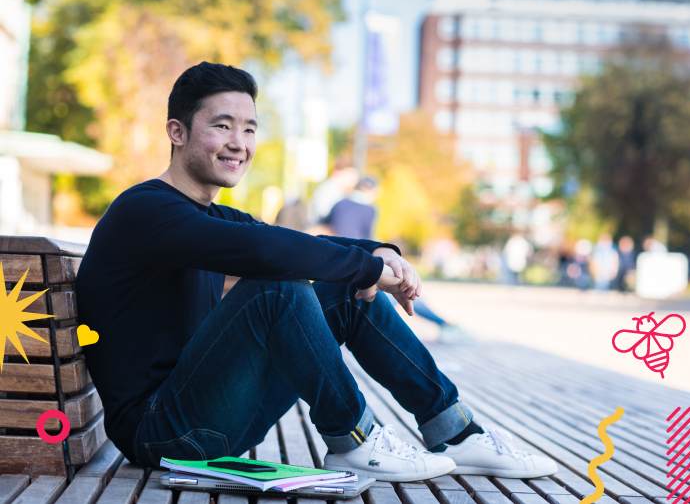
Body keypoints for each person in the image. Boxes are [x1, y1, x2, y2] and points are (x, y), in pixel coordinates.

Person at [76, 62, 556, 482]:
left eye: (248, 129)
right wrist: (367, 267)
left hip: (207, 414)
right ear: (177, 132)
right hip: (162, 433)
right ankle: (356, 440)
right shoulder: (145, 211)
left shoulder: (205, 214)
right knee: (277, 289)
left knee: (343, 293)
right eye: (222, 126)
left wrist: (380, 253)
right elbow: (267, 250)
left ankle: (453, 431)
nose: (239, 144)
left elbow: (298, 242)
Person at [324, 176, 465, 340]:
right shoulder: (370, 209)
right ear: (370, 190)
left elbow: (327, 226)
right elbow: (369, 238)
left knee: (392, 295)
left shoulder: (339, 204)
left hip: (340, 257)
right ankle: (442, 324)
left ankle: (441, 324)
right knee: (402, 289)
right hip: (362, 258)